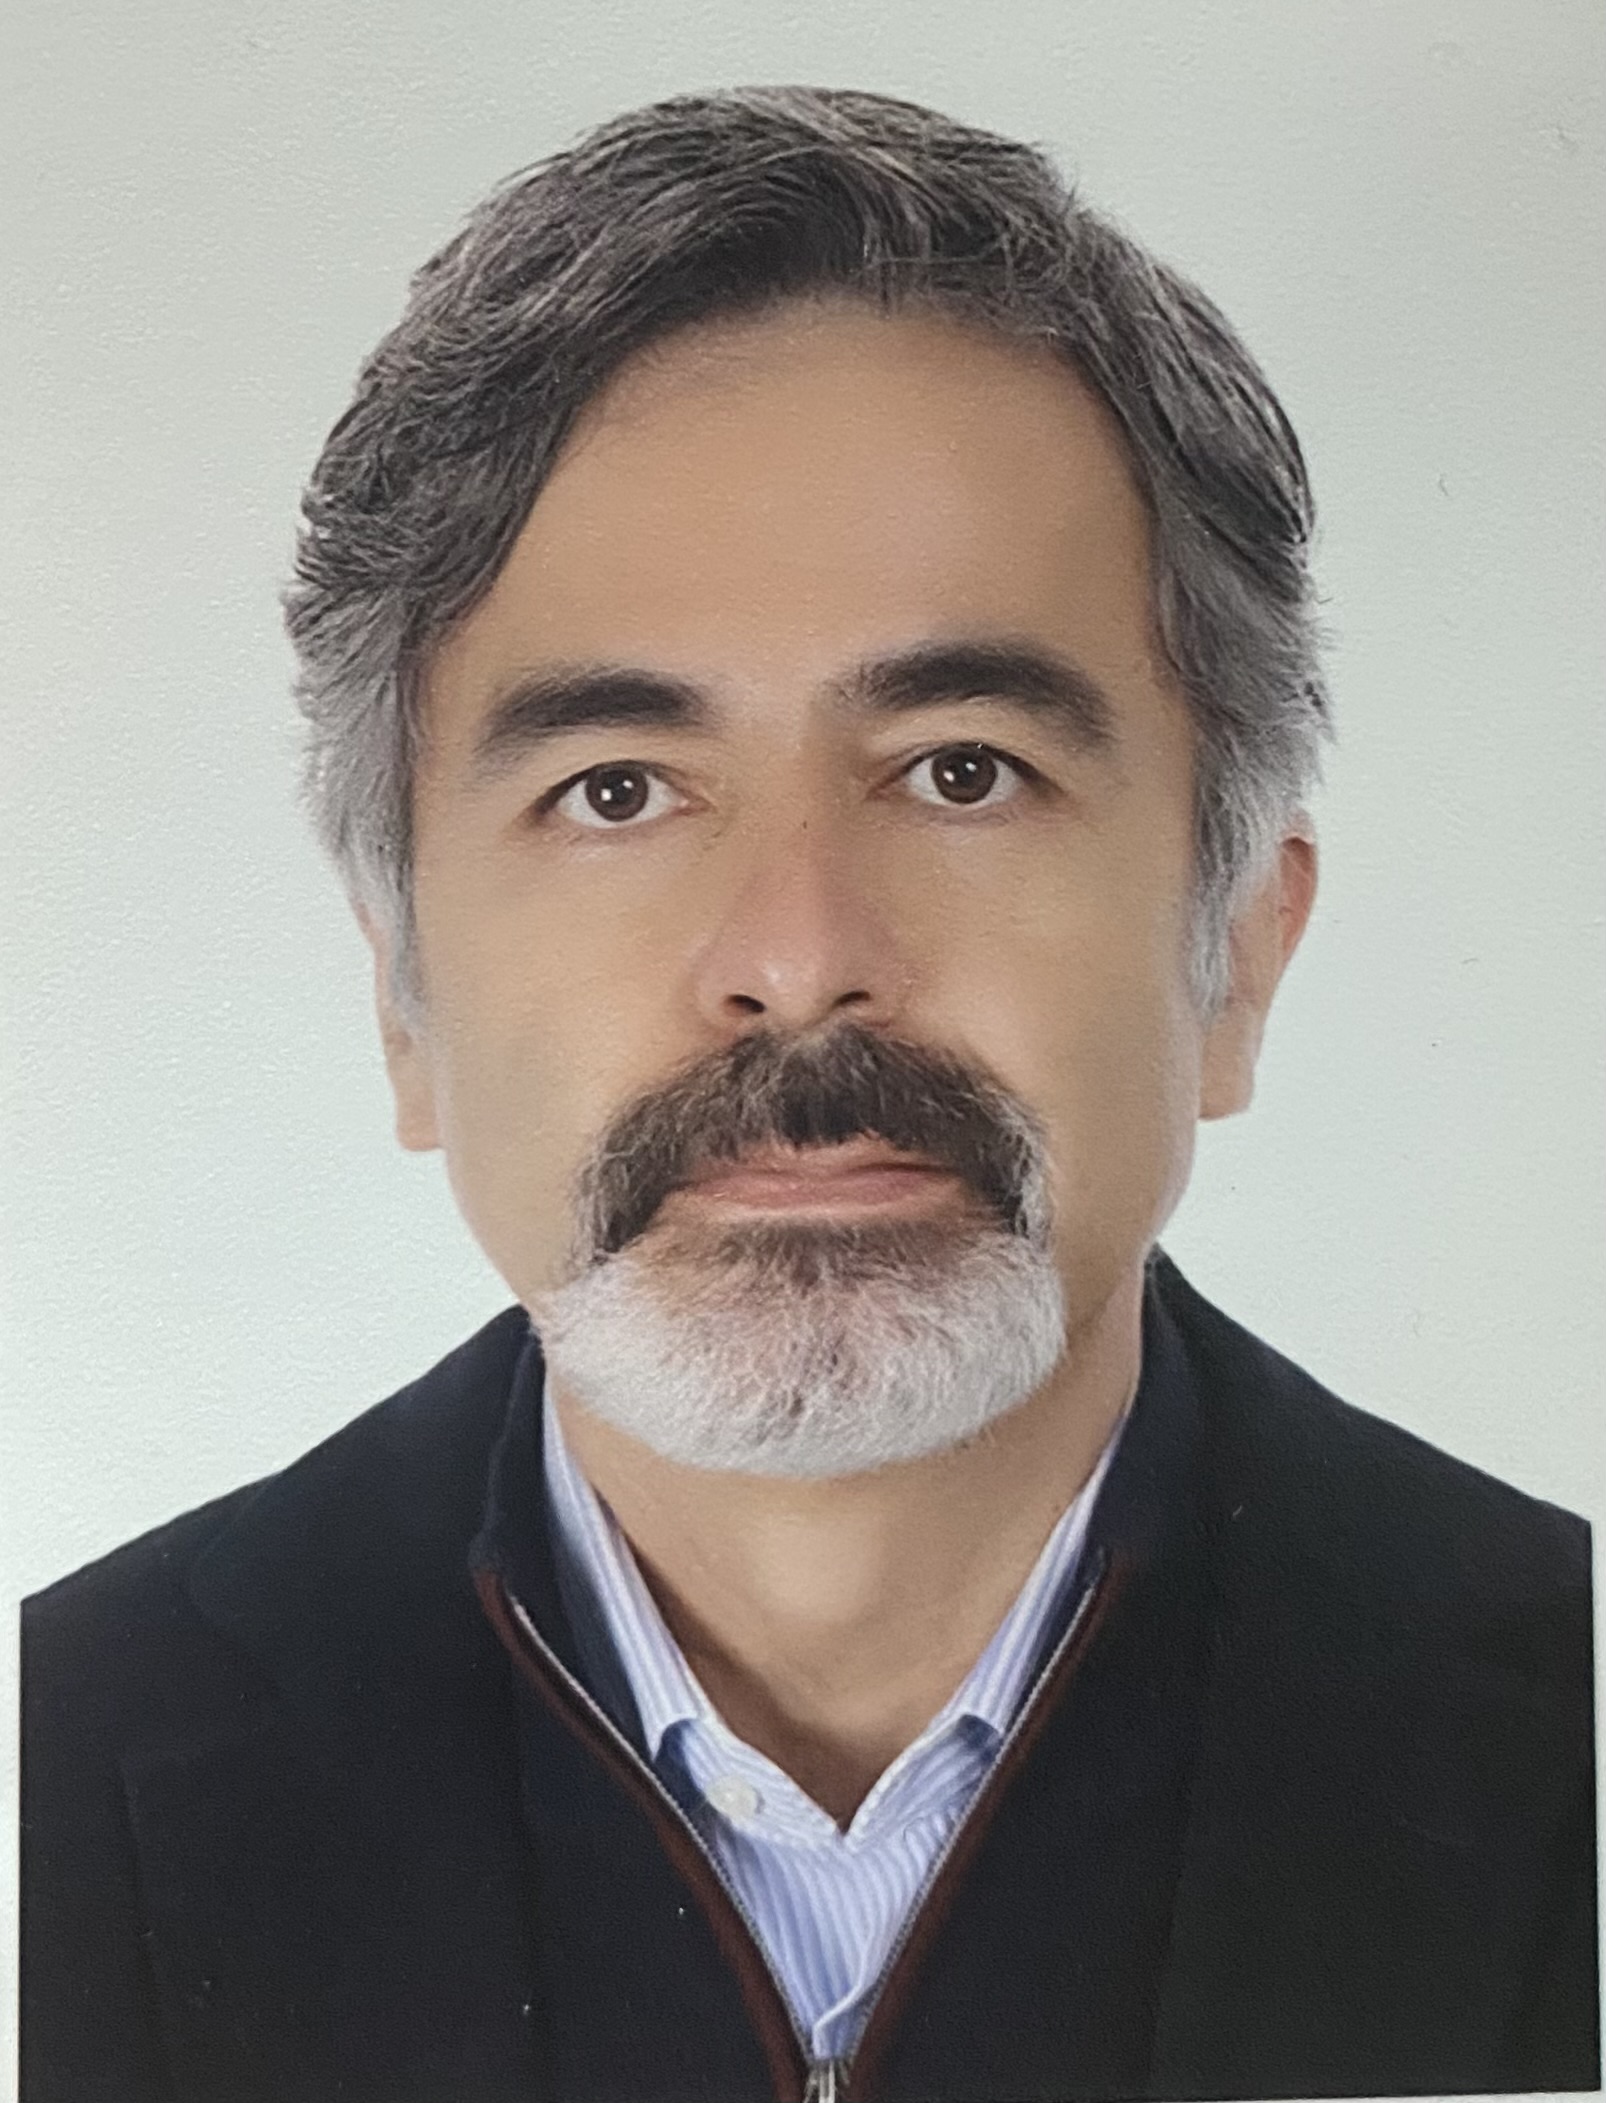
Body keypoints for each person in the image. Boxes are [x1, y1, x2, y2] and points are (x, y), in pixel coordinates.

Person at [20, 85, 1596, 2103]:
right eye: (615, 789)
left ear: (1234, 950)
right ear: (403, 991)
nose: (793, 952)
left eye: (960, 768)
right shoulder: (49, 1782)